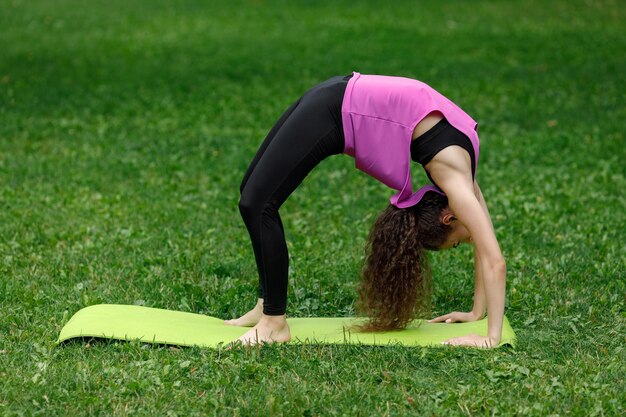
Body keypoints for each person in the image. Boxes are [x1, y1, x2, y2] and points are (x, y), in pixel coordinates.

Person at [224, 72, 506, 348]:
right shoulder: (457, 185)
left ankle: (267, 306)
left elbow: (486, 246)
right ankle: (273, 322)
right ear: (449, 217)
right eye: (458, 243)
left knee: (253, 198)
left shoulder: (461, 168)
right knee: (257, 202)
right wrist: (491, 338)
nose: (469, 240)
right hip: (334, 109)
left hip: (338, 92)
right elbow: (495, 262)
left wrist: (475, 313)